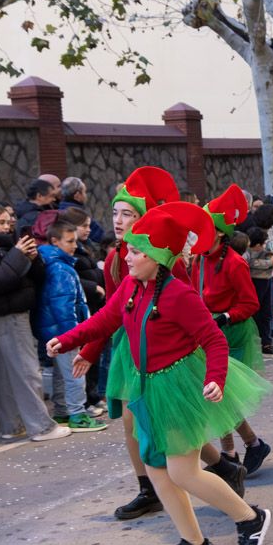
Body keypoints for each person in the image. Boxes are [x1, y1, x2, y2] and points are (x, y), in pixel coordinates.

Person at [50, 202, 273, 545]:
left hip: (177, 387)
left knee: (182, 470)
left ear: (158, 257)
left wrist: (215, 379)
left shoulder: (178, 295)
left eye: (137, 252)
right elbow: (104, 321)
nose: (129, 256)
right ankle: (194, 542)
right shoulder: (131, 286)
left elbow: (214, 341)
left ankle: (250, 519)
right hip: (147, 386)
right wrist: (69, 340)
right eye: (130, 250)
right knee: (156, 468)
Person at [101, 167, 182, 518]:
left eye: (127, 214)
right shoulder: (113, 257)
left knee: (173, 423)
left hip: (164, 347)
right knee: (133, 420)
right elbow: (110, 313)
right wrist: (88, 350)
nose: (119, 220)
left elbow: (183, 303)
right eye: (115, 212)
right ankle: (148, 488)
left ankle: (223, 468)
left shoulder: (162, 260)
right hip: (128, 346)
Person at [0, 204, 65, 444]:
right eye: (0, 222)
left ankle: (13, 425)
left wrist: (31, 258)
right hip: (8, 314)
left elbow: (35, 278)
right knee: (26, 372)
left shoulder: (6, 247)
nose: (7, 226)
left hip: (13, 313)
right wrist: (19, 256)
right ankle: (41, 427)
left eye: (9, 222)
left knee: (8, 376)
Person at [200, 185, 272, 476]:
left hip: (234, 335)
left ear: (218, 232)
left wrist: (227, 316)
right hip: (209, 335)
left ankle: (233, 454)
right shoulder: (201, 260)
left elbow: (251, 303)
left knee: (221, 397)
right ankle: (247, 446)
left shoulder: (235, 263)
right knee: (217, 397)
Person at [35, 211, 103, 432]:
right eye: (70, 241)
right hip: (64, 331)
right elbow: (63, 306)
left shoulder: (53, 264)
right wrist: (73, 336)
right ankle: (78, 414)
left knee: (60, 372)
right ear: (55, 241)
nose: (75, 245)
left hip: (54, 331)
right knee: (74, 372)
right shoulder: (61, 268)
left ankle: (63, 411)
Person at [246, 226, 273, 360]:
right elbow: (249, 262)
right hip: (255, 281)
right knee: (256, 313)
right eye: (259, 245)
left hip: (267, 279)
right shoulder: (247, 249)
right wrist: (268, 262)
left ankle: (266, 344)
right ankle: (256, 345)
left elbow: (272, 253)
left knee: (266, 313)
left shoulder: (266, 241)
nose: (261, 247)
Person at [59, 176, 105, 246]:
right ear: (77, 195)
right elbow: (99, 235)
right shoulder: (78, 214)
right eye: (84, 192)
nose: (85, 195)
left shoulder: (59, 209)